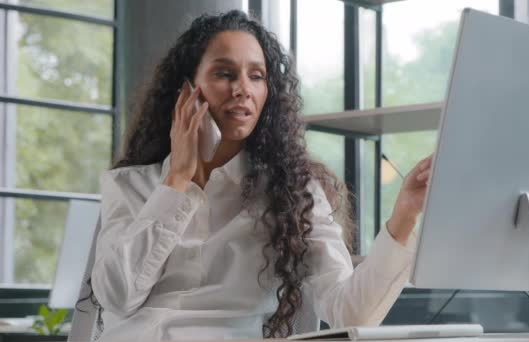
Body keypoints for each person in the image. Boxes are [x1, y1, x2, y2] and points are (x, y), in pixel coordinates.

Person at [88, 10, 432, 341]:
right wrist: (177, 181)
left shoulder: (291, 193)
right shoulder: (128, 184)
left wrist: (404, 216)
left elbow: (352, 314)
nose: (243, 89)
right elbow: (117, 296)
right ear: (186, 91)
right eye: (224, 73)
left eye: (256, 76)